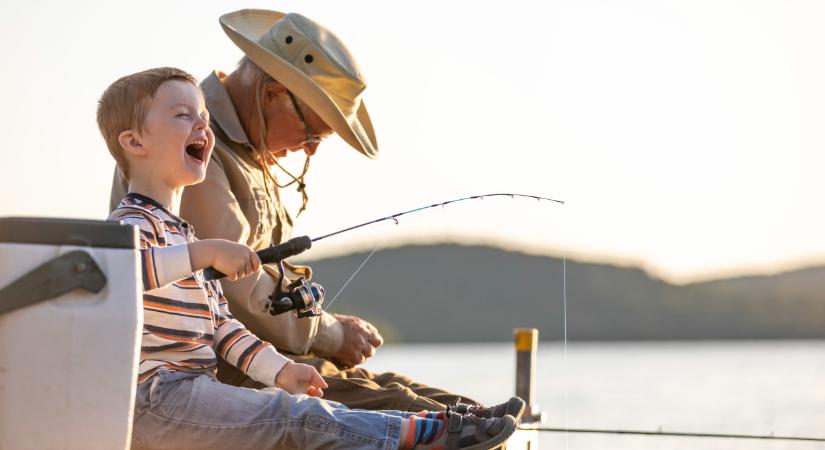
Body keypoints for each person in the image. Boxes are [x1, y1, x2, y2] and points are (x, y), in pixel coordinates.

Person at [98, 66, 521, 449]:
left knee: (295, 402)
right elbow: (123, 273)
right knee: (297, 416)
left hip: (195, 391)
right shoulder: (129, 225)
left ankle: (430, 426)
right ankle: (422, 434)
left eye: (204, 116)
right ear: (134, 142)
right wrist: (204, 252)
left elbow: (223, 328)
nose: (201, 125)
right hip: (156, 399)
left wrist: (280, 371)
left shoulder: (179, 230)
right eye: (183, 115)